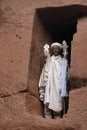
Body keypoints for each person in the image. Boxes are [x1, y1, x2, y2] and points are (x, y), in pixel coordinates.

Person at [44, 42, 69, 119]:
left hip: (58, 83)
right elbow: (46, 69)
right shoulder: (50, 59)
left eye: (57, 48)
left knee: (57, 99)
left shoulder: (62, 60)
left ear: (59, 50)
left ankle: (57, 115)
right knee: (48, 98)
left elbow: (66, 71)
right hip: (50, 83)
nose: (56, 50)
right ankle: (47, 116)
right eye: (54, 48)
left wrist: (65, 59)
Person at [39, 44, 50, 116]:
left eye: (46, 52)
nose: (45, 54)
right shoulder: (45, 65)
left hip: (52, 85)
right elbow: (43, 76)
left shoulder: (52, 62)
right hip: (46, 85)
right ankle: (47, 115)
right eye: (44, 52)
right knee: (46, 100)